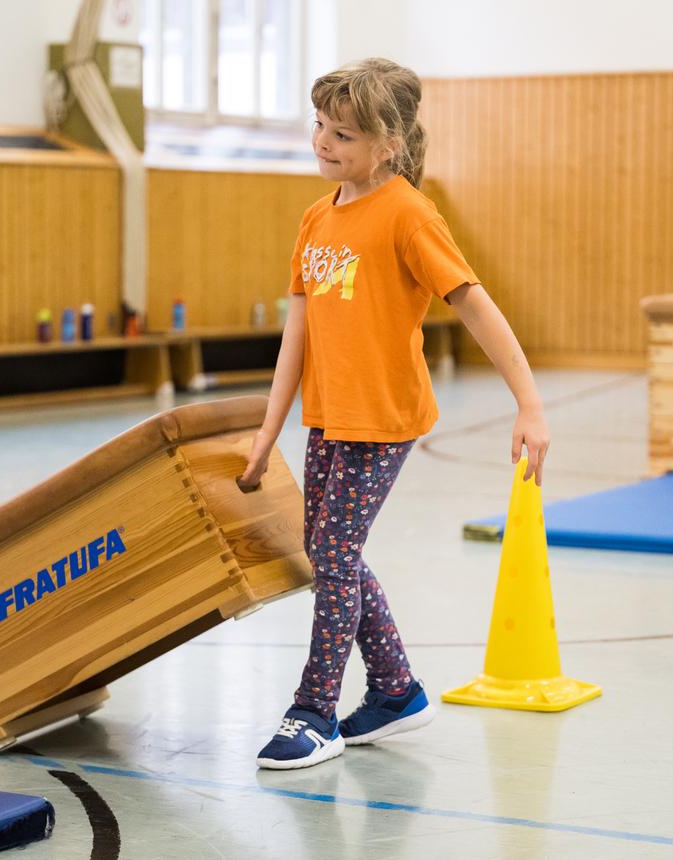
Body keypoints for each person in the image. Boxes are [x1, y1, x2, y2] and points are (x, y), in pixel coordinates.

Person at [239, 58, 550, 770]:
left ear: (388, 145)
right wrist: (268, 429)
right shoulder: (317, 218)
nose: (323, 142)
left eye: (342, 134)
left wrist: (529, 404)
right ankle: (396, 690)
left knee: (334, 556)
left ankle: (314, 710)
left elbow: (474, 301)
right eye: (320, 125)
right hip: (330, 415)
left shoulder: (409, 212)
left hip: (383, 419)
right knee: (331, 553)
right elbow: (300, 331)